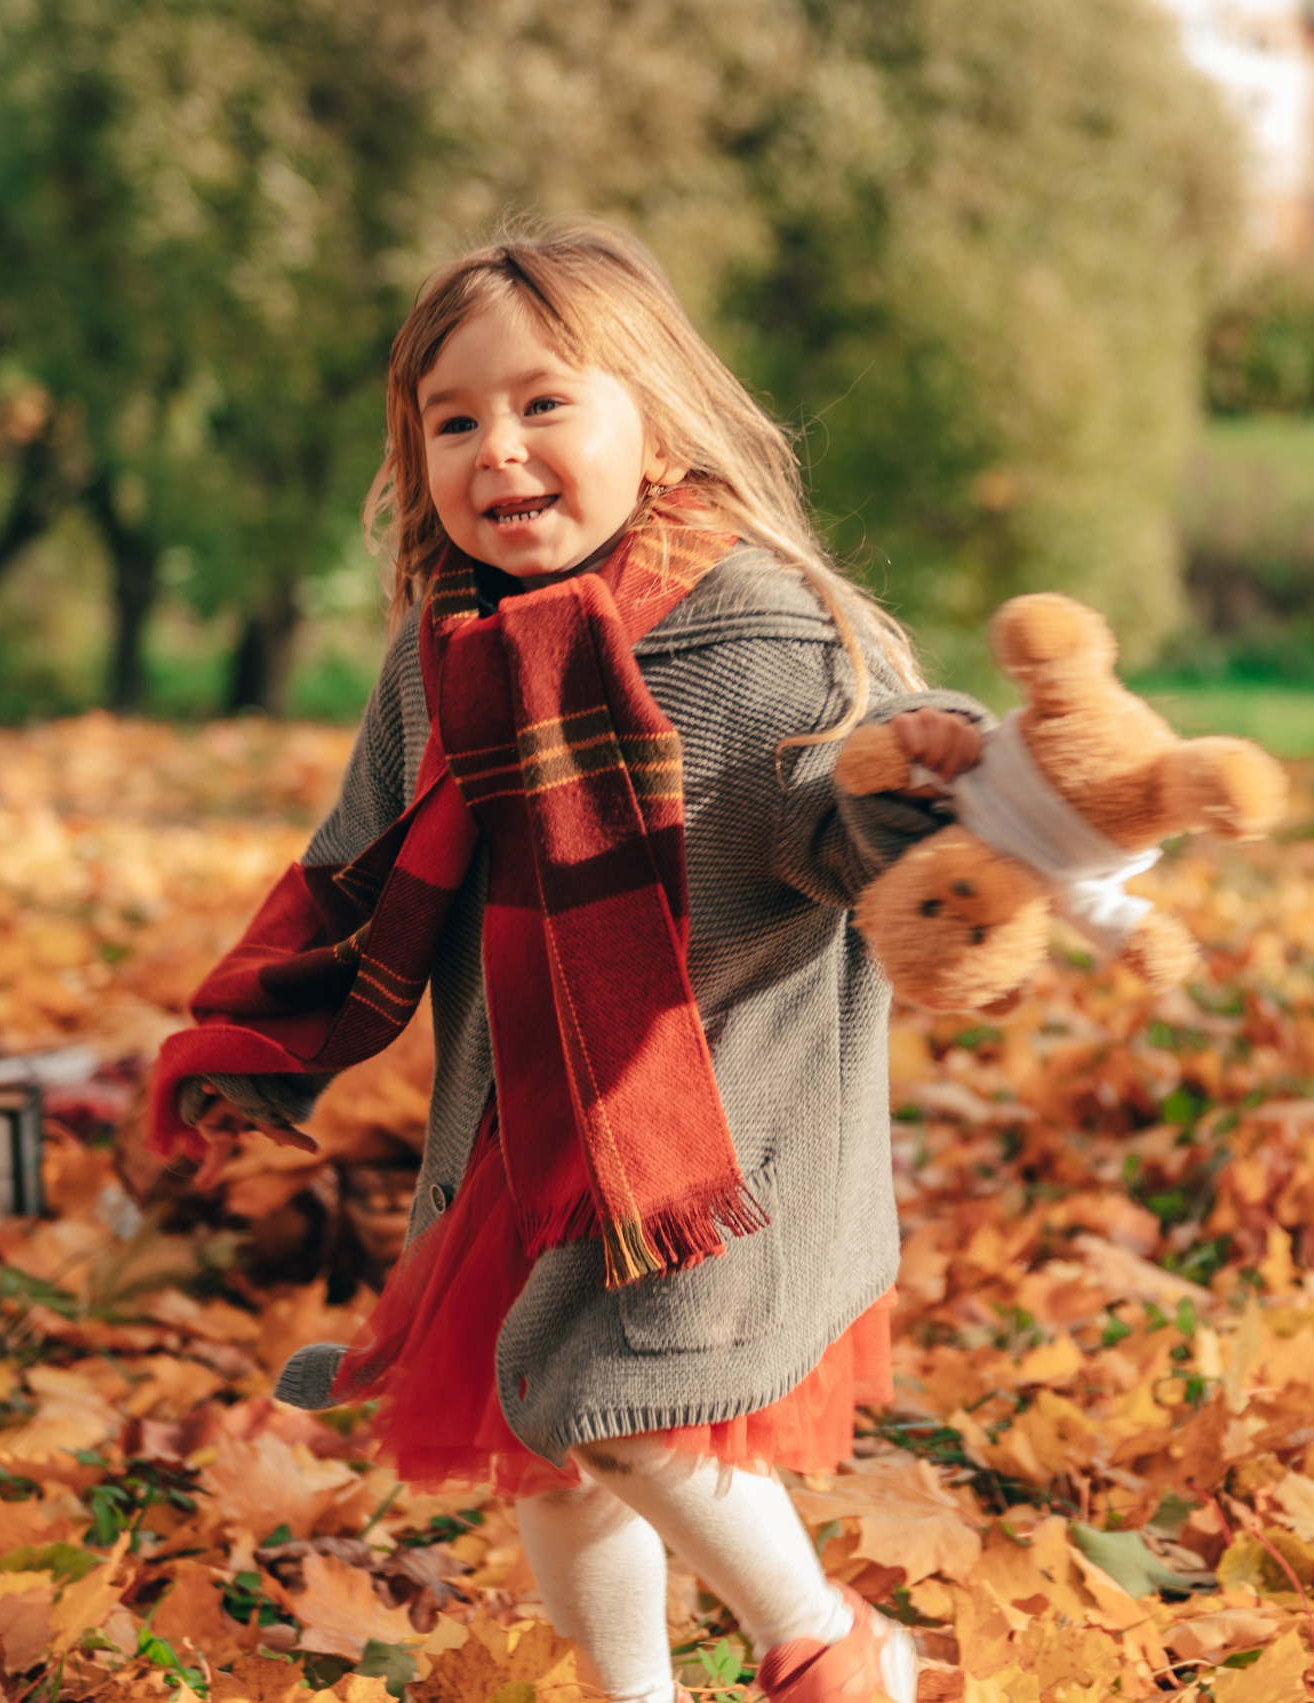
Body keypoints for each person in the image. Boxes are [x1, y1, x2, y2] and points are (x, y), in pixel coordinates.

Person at [150, 221, 988, 1703]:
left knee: (612, 1399)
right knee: (545, 1455)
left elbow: (852, 832)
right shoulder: (446, 649)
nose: (500, 450)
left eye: (546, 404)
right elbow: (353, 871)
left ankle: (835, 1651)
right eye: (454, 419)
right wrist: (248, 1046)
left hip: (709, 1137)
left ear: (654, 421)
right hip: (525, 1136)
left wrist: (910, 785)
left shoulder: (760, 638)